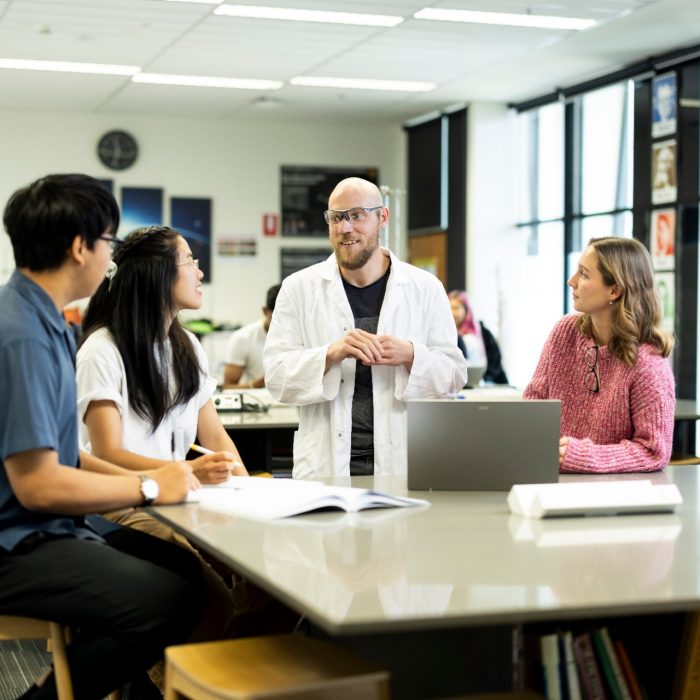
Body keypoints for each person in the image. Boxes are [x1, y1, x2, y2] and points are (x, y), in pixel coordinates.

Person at [0, 174, 203, 700]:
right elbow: (39, 486)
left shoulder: (41, 321)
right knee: (169, 601)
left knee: (180, 566)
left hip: (34, 528)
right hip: (15, 542)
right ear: (78, 247)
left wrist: (158, 478)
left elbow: (65, 453)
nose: (111, 257)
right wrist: (150, 489)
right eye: (108, 242)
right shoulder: (22, 336)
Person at [76, 226, 248, 640]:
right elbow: (107, 454)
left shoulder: (187, 345)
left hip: (179, 499)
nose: (200, 272)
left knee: (268, 573)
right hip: (119, 505)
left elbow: (215, 435)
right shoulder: (102, 350)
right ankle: (185, 678)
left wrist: (243, 483)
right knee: (206, 594)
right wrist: (188, 474)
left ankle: (221, 665)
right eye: (190, 261)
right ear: (157, 275)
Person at [264, 177, 467, 478]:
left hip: (404, 460)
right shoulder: (298, 289)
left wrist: (412, 355)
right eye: (336, 218)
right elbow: (277, 378)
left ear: (382, 217)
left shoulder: (425, 288)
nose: (345, 228)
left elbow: (454, 375)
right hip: (327, 463)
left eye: (357, 215)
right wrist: (330, 354)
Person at [524, 236, 675, 473]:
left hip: (611, 495)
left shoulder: (647, 363)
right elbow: (532, 406)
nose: (571, 281)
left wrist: (580, 455)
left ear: (614, 289)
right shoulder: (565, 332)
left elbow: (654, 451)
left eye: (583, 274)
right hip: (548, 480)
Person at [223, 283, 281, 388]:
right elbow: (228, 387)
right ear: (265, 311)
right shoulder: (242, 339)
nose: (286, 324)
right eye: (280, 317)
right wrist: (256, 384)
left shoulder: (302, 334)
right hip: (260, 401)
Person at [448, 290, 509, 385]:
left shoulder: (484, 334)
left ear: (467, 310)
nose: (451, 312)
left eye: (456, 308)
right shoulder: (447, 334)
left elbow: (494, 366)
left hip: (488, 383)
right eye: (449, 307)